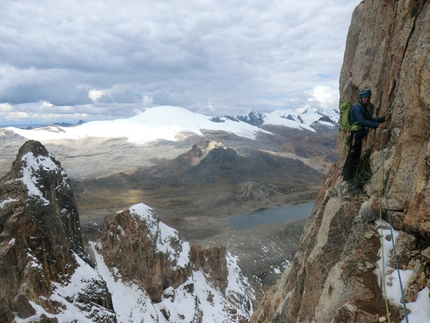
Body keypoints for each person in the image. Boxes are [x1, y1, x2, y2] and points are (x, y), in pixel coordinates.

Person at [341, 87, 388, 181]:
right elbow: (362, 121)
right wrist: (377, 125)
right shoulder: (357, 108)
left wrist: (383, 118)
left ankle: (346, 176)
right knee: (353, 157)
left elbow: (369, 120)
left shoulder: (362, 108)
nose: (367, 99)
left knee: (353, 156)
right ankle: (349, 178)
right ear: (361, 97)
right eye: (365, 97)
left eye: (368, 97)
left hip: (357, 136)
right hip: (355, 137)